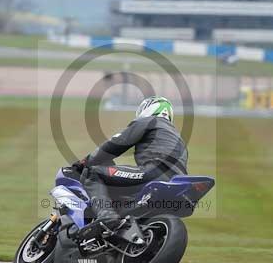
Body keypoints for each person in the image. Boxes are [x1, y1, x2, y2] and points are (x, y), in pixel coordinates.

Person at [74, 96, 188, 226]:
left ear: (149, 108)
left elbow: (115, 144)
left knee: (92, 172)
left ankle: (106, 214)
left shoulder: (149, 121)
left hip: (153, 173)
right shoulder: (178, 138)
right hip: (176, 181)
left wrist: (84, 162)